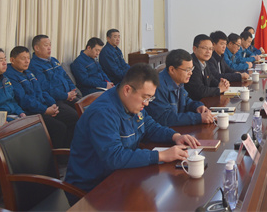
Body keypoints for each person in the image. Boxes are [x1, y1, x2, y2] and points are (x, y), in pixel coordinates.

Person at [64, 63, 200, 198]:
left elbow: (149, 127)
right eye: (145, 97)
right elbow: (114, 157)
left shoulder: (131, 103)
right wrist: (161, 156)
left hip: (121, 175)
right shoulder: (103, 113)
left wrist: (175, 136)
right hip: (93, 188)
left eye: (150, 98)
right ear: (127, 90)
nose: (147, 103)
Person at [6, 46, 78, 148]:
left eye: (28, 58)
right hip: (31, 111)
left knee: (74, 117)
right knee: (59, 127)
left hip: (44, 106)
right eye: (23, 58)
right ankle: (58, 155)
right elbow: (24, 100)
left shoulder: (28, 72)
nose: (27, 61)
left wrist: (52, 104)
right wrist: (45, 110)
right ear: (12, 60)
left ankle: (69, 150)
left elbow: (41, 90)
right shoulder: (10, 76)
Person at [145, 49, 214, 126]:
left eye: (191, 69)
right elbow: (165, 118)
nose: (191, 73)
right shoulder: (157, 86)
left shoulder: (178, 81)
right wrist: (198, 118)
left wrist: (197, 106)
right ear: (172, 70)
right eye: (187, 70)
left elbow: (185, 101)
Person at [29, 35, 79, 107]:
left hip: (68, 96)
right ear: (36, 48)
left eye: (50, 45)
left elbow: (65, 76)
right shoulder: (34, 66)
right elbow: (45, 87)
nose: (49, 48)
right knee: (75, 113)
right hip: (55, 100)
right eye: (46, 45)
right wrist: (65, 95)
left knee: (86, 109)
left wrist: (72, 90)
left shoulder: (54, 60)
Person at [185, 34, 229, 100]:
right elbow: (200, 91)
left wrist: (222, 83)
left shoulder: (205, 62)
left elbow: (211, 79)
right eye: (205, 48)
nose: (208, 51)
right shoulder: (191, 64)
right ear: (194, 49)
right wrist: (219, 89)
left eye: (211, 49)